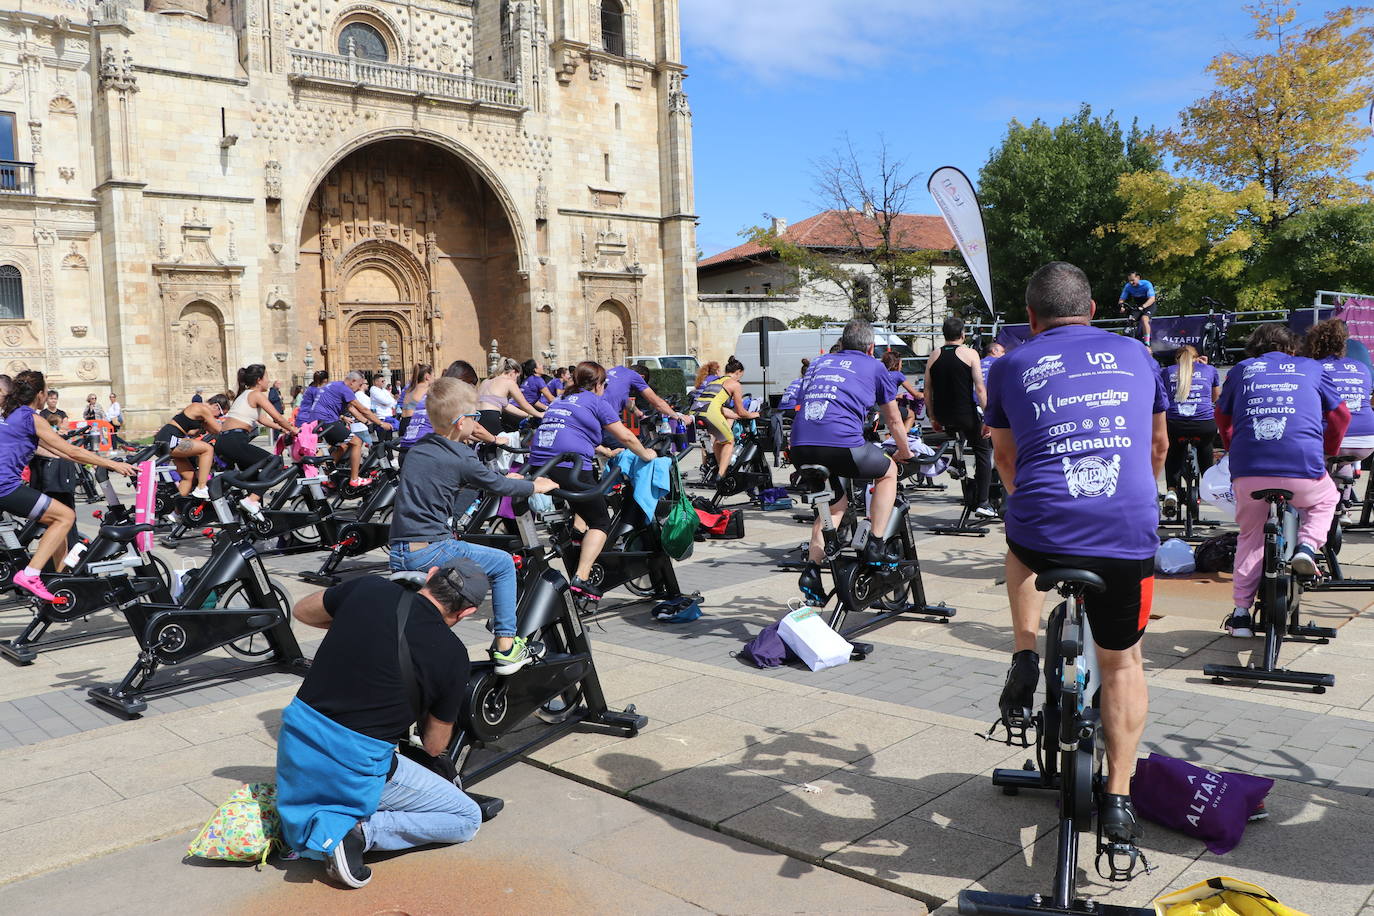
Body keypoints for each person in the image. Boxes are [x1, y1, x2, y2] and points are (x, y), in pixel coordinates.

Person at [986, 261, 1167, 851]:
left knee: (1018, 542)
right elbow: (1158, 444)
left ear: (1031, 320)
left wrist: (1038, 507)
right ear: (1093, 310)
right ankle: (1117, 797)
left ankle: (1023, 652)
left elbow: (1006, 461)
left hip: (1041, 528)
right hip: (1126, 530)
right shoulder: (1138, 355)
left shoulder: (1010, 364)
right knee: (1122, 663)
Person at [276, 563, 489, 889]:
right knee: (467, 818)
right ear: (467, 612)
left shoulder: (368, 588)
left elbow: (303, 611)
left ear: (430, 575)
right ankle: (354, 836)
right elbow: (434, 745)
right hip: (355, 764)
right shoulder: (453, 655)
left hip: (297, 740)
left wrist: (353, 625)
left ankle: (319, 817)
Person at [389, 377, 558, 671]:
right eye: (475, 417)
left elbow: (452, 484)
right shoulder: (462, 456)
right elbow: (497, 485)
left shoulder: (418, 449)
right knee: (504, 563)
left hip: (398, 550)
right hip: (430, 549)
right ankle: (507, 647)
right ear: (460, 422)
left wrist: (504, 481)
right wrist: (535, 486)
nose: (478, 423)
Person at [1216, 324, 1347, 637]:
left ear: (1255, 349)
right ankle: (1306, 547)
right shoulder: (1312, 368)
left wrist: (1233, 447)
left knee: (1250, 536)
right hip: (1303, 466)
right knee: (1326, 499)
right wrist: (1328, 450)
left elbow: (1222, 417)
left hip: (1249, 469)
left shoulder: (1242, 369)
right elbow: (1341, 415)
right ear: (1292, 348)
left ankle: (1241, 615)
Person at [790, 319, 913, 592]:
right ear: (871, 348)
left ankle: (812, 570)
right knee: (888, 471)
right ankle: (876, 543)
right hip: (841, 446)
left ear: (843, 343)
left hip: (799, 447)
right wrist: (904, 451)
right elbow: (893, 420)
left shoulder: (819, 363)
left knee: (834, 506)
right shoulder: (875, 366)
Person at [528, 361, 658, 600]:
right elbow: (627, 436)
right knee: (600, 522)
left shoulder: (562, 400)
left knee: (582, 505)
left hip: (540, 461)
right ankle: (582, 577)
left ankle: (576, 540)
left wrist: (607, 452)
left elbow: (572, 429)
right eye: (604, 384)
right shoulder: (597, 401)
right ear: (599, 384)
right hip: (570, 464)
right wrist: (647, 454)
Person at [0, 371, 134, 600]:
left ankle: (53, 573)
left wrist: (97, 461)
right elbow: (70, 450)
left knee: (54, 518)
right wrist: (111, 463)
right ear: (40, 394)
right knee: (64, 516)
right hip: (5, 486)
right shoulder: (31, 418)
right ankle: (31, 574)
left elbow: (59, 451)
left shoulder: (13, 414)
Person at [925, 316, 995, 519]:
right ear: (963, 334)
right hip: (966, 415)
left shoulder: (934, 355)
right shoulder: (970, 353)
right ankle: (983, 502)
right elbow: (980, 389)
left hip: (943, 417)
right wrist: (989, 417)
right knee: (984, 450)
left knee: (957, 436)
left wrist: (932, 417)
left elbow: (928, 391)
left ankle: (957, 463)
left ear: (944, 334)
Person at [1305, 319, 1374, 504]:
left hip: (1332, 437)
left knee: (1315, 456)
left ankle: (1319, 505)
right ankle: (1343, 507)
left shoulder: (1312, 368)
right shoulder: (1361, 367)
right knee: (1343, 461)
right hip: (1367, 440)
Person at [216, 365, 298, 514]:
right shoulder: (256, 394)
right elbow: (277, 417)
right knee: (276, 462)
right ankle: (251, 500)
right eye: (266, 377)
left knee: (252, 479)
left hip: (225, 440)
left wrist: (283, 429)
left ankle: (252, 512)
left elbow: (262, 419)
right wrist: (294, 430)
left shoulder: (245, 394)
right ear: (259, 380)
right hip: (235, 440)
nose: (269, 381)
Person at [296, 370, 386, 486]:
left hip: (318, 421)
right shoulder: (345, 389)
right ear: (353, 381)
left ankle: (326, 472)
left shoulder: (335, 385)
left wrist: (366, 422)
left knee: (344, 445)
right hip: (327, 421)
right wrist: (381, 423)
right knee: (357, 442)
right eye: (359, 385)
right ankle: (355, 479)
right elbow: (363, 409)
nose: (359, 388)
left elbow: (351, 409)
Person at [1160, 344, 1221, 514]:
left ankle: (1171, 490)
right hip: (1204, 425)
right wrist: (1205, 367)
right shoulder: (1209, 370)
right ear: (1197, 357)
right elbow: (1215, 398)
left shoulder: (1167, 372)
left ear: (1177, 359)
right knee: (1206, 446)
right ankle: (1207, 484)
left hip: (1175, 424)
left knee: (1172, 451)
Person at [690, 357, 759, 479]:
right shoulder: (734, 384)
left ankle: (720, 467)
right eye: (740, 376)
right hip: (709, 412)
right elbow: (741, 411)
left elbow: (719, 407)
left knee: (719, 440)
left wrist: (735, 416)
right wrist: (754, 414)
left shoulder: (714, 381)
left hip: (696, 411)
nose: (739, 379)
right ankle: (722, 475)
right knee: (729, 441)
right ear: (738, 372)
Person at [153, 397, 226, 498]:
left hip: (168, 438)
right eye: (221, 413)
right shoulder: (201, 408)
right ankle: (201, 487)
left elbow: (196, 432)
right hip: (169, 438)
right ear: (216, 406)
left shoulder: (201, 415)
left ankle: (176, 511)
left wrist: (202, 429)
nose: (218, 416)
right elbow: (219, 429)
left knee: (189, 476)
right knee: (207, 449)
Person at [602, 364, 691, 438]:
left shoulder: (614, 372)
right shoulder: (635, 376)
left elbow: (624, 398)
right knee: (632, 447)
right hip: (603, 423)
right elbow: (657, 402)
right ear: (642, 377)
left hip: (593, 418)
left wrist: (638, 413)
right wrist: (679, 418)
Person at [476, 358, 544, 436]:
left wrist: (527, 415)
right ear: (513, 372)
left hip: (477, 416)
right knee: (506, 444)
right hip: (491, 417)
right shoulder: (509, 382)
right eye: (517, 377)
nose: (516, 380)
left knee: (485, 445)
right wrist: (540, 414)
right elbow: (524, 404)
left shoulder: (486, 381)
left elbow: (506, 406)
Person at [881, 350, 920, 437]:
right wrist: (926, 394)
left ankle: (891, 436)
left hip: (876, 408)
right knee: (911, 415)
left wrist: (898, 396)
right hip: (889, 409)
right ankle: (902, 437)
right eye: (901, 364)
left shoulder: (879, 374)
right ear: (896, 364)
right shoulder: (898, 375)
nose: (901, 366)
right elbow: (916, 394)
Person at [397, 364, 433, 446]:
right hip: (413, 422)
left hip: (403, 422)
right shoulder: (426, 389)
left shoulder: (409, 389)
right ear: (427, 376)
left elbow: (409, 405)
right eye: (433, 375)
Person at [1118, 271, 1157, 344]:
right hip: (1138, 305)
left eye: (1133, 280)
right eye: (1129, 281)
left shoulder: (1146, 284)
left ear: (1138, 278)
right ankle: (1130, 340)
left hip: (1149, 304)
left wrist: (1143, 306)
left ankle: (1147, 342)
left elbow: (1152, 298)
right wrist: (1122, 306)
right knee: (1130, 320)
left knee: (1144, 319)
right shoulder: (1128, 286)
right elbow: (1121, 299)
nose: (1131, 283)